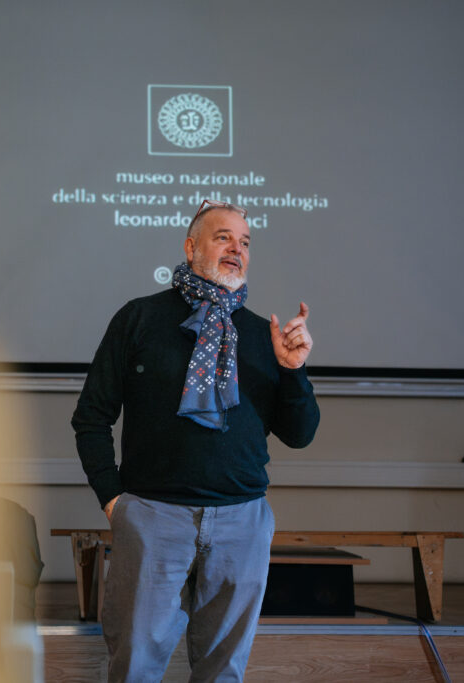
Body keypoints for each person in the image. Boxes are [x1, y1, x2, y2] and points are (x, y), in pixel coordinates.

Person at [71, 199, 320, 682]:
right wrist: (114, 502)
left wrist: (294, 372)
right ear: (190, 247)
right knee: (135, 668)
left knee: (223, 674)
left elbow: (301, 435)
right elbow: (91, 418)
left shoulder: (262, 335)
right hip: (152, 518)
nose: (236, 249)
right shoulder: (138, 319)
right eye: (223, 237)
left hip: (242, 525)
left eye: (245, 242)